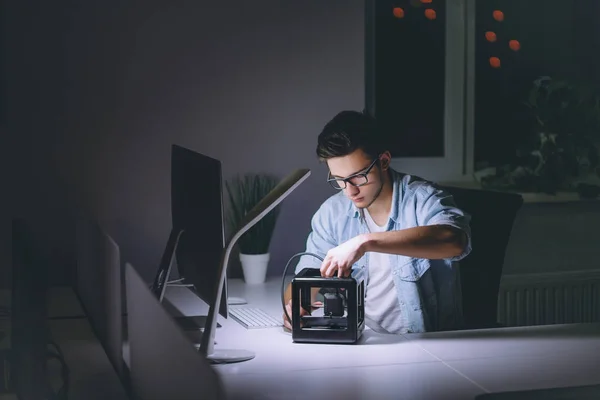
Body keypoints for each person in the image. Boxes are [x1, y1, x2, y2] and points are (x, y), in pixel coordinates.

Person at [283, 110, 471, 334]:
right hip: (364, 341)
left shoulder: (424, 199)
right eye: (339, 180)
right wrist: (296, 306)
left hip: (425, 345)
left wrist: (365, 242)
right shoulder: (332, 213)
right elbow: (303, 280)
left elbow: (455, 241)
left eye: (358, 176)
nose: (350, 190)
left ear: (383, 161)